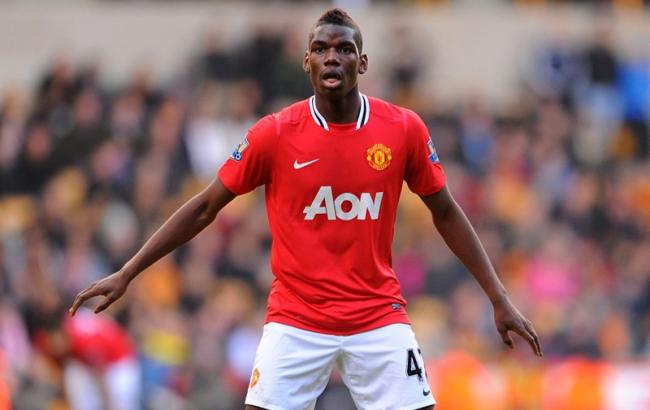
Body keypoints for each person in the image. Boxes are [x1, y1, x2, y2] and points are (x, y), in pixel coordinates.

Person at [70, 8, 542, 410]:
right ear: (307, 61)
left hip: (377, 316)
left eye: (344, 49)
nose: (332, 57)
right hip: (296, 320)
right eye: (321, 49)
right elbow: (205, 207)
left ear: (362, 62)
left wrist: (498, 297)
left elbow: (446, 212)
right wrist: (129, 272)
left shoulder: (402, 129)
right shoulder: (276, 133)